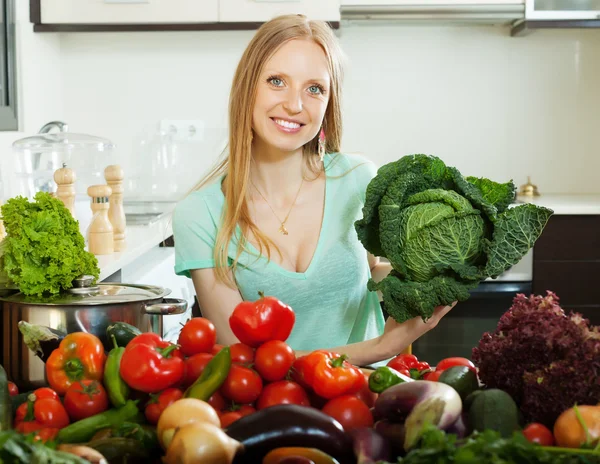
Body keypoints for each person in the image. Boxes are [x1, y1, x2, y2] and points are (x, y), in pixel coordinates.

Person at [172, 14, 454, 367]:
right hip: (271, 408)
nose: (294, 105)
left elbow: (364, 276)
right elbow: (241, 359)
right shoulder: (201, 214)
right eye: (277, 81)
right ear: (247, 89)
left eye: (314, 88)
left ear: (328, 103)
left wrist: (432, 277)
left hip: (370, 398)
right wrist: (381, 347)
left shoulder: (359, 180)